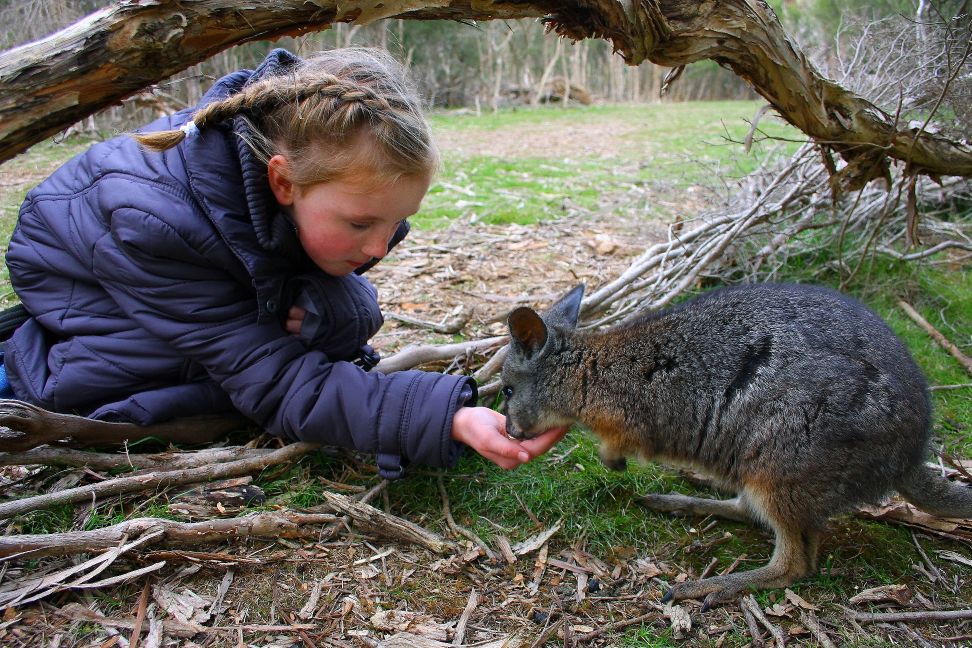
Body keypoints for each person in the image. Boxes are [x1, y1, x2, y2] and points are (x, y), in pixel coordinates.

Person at [2, 47, 566, 476]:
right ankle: (16, 369)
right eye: (362, 225)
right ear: (281, 181)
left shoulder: (327, 192)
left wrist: (346, 310)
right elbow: (275, 383)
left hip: (191, 273)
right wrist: (444, 416)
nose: (378, 246)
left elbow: (314, 301)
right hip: (88, 284)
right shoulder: (152, 222)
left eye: (396, 223)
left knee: (339, 310)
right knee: (166, 394)